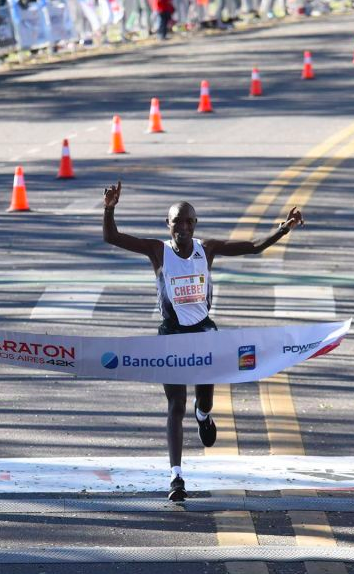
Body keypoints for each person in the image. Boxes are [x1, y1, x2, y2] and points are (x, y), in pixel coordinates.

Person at [103, 181, 304, 501]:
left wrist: (283, 229)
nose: (182, 226)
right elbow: (112, 237)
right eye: (176, 221)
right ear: (167, 225)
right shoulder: (158, 250)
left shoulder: (206, 248)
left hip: (203, 332)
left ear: (194, 225)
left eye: (188, 221)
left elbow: (253, 247)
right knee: (175, 404)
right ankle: (176, 478)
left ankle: (204, 414)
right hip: (170, 334)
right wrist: (110, 208)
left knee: (205, 398)